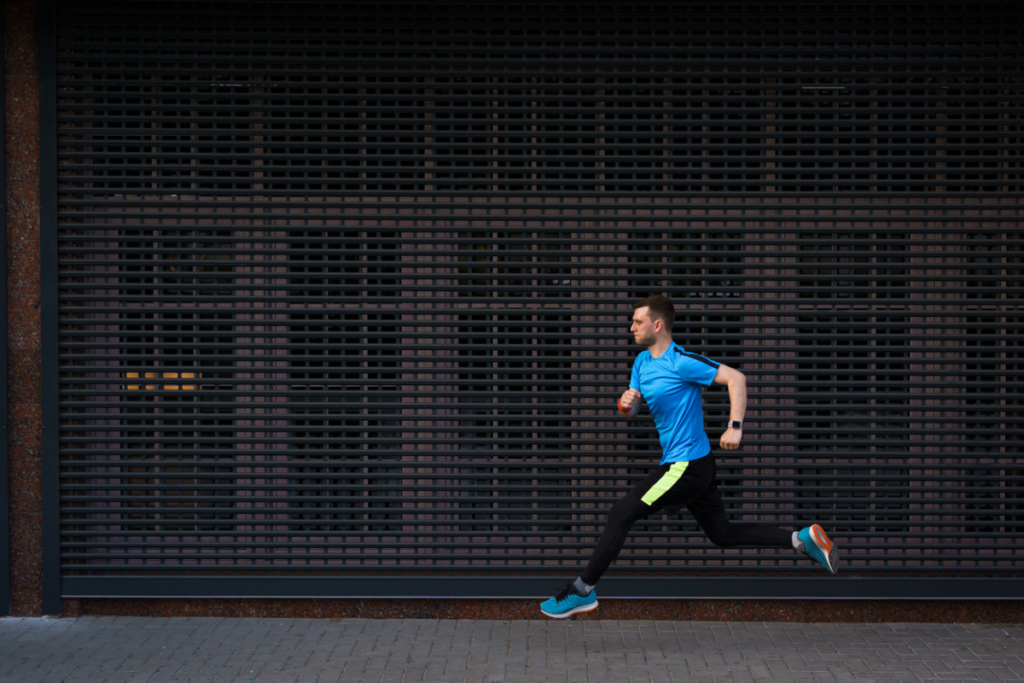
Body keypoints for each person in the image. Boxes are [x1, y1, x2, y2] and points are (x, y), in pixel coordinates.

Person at [540, 294, 839, 619]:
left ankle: (581, 591)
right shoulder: (642, 362)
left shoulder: (681, 361)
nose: (631, 327)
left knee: (620, 515)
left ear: (657, 324)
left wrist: (734, 426)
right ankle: (801, 540)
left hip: (687, 465)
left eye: (637, 321)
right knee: (722, 535)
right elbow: (634, 408)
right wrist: (626, 404)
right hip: (695, 465)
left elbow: (736, 378)